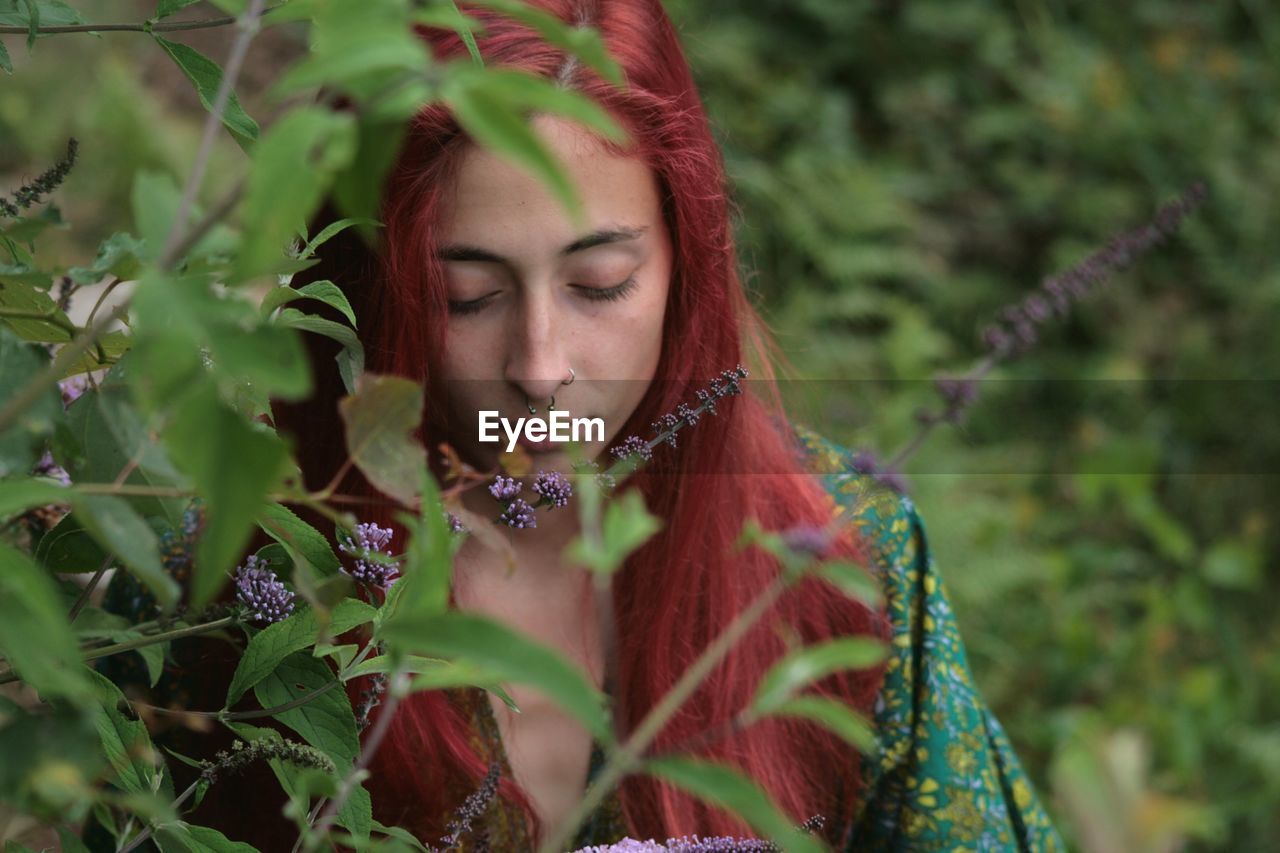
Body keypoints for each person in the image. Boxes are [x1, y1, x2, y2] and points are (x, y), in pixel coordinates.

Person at [258, 1, 1066, 850]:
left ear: (687, 261)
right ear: (365, 281)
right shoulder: (237, 579)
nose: (540, 366)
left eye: (600, 282)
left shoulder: (844, 569)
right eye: (467, 296)